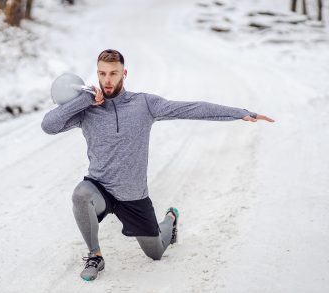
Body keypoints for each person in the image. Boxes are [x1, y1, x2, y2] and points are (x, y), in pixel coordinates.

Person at [41, 49, 275, 281]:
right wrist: (84, 100)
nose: (107, 80)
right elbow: (49, 125)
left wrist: (239, 113)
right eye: (102, 74)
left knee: (155, 252)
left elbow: (191, 108)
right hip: (99, 187)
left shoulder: (144, 104)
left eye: (114, 73)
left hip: (133, 195)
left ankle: (170, 221)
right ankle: (95, 255)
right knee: (81, 194)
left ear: (125, 73)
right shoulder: (87, 110)